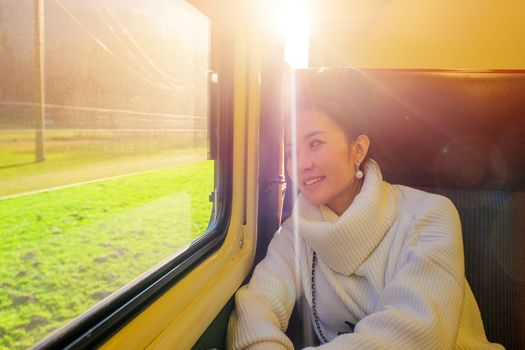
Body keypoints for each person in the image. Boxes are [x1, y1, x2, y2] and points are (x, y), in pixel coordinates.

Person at [227, 69, 502, 349]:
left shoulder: (429, 216)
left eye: (315, 143)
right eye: (291, 152)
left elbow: (417, 334)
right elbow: (256, 305)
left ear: (358, 149)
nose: (301, 164)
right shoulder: (297, 232)